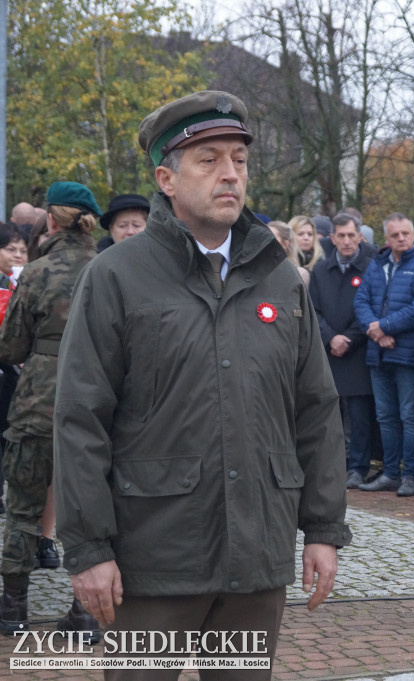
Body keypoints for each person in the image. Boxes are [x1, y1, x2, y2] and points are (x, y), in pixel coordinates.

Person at [52, 90, 350, 678]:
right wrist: (88, 550)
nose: (230, 174)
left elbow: (315, 408)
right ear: (166, 177)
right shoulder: (116, 276)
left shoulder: (280, 279)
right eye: (208, 159)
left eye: (238, 159)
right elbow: (80, 417)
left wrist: (322, 527)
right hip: (154, 558)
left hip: (256, 558)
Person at [0, 182, 103, 639]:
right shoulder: (109, 270)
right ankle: (84, 615)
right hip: (98, 403)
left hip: (38, 401)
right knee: (94, 513)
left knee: (22, 510)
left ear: (53, 222)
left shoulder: (36, 273)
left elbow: (10, 345)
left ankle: (11, 611)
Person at [353, 212, 414, 497]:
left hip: (407, 355)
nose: (401, 238)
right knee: (385, 417)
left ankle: (410, 474)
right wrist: (375, 332)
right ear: (386, 238)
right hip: (378, 355)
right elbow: (361, 301)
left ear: (413, 234)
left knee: (410, 416)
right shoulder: (377, 265)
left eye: (405, 233)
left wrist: (383, 326)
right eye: (395, 235)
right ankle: (390, 472)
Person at [309, 213, 376, 488]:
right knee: (330, 415)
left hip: (358, 352)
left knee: (360, 417)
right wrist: (330, 338)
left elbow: (372, 308)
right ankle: (334, 465)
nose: (347, 241)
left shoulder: (371, 268)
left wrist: (348, 338)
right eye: (341, 236)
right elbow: (312, 310)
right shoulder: (320, 271)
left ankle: (358, 468)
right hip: (329, 353)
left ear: (360, 237)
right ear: (332, 238)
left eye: (352, 235)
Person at [267, 219, 310, 286]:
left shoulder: (299, 274)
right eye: (263, 237)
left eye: (270, 238)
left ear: (285, 244)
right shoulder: (254, 271)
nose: (265, 241)